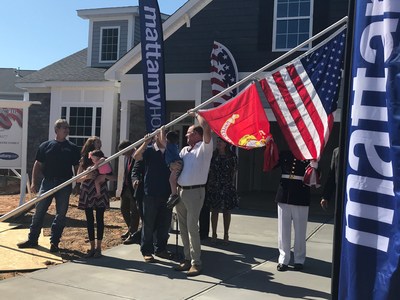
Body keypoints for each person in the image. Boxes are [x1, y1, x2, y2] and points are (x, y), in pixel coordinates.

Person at [17, 119, 81, 252]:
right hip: (48, 182)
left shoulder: (73, 148)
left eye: (68, 128)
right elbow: (37, 164)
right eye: (64, 128)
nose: (67, 130)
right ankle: (32, 239)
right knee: (39, 211)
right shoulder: (46, 145)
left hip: (65, 183)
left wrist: (77, 184)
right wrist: (34, 182)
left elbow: (77, 167)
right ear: (57, 129)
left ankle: (54, 242)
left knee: (61, 214)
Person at [174, 111, 213, 277]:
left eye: (189, 133)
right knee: (182, 228)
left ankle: (197, 263)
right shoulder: (184, 150)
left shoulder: (204, 148)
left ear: (197, 135)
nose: (186, 136)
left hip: (195, 192)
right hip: (181, 192)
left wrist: (198, 114)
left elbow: (207, 129)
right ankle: (187, 259)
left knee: (192, 227)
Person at [133, 132, 173, 263]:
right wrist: (145, 143)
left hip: (167, 193)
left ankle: (161, 249)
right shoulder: (149, 151)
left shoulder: (169, 151)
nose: (163, 137)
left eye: (164, 135)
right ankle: (147, 251)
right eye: (160, 135)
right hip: (150, 193)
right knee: (149, 224)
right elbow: (136, 156)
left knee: (164, 224)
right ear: (156, 137)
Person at [76, 137, 116, 258]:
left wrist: (105, 177)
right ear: (90, 145)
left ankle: (99, 248)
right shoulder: (84, 160)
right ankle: (92, 247)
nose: (99, 145)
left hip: (101, 191)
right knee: (89, 219)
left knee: (100, 219)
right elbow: (77, 179)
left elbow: (113, 177)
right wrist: (87, 177)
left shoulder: (104, 159)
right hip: (88, 190)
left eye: (100, 143)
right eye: (96, 143)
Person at [275, 150, 311, 272]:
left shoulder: (309, 153)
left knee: (300, 230)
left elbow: (316, 175)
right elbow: (271, 164)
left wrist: (315, 166)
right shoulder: (285, 153)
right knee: (283, 230)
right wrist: (270, 148)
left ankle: (299, 260)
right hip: (284, 193)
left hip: (300, 194)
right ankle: (283, 259)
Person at [206, 138, 239, 244]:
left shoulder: (232, 156)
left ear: (225, 144)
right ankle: (214, 234)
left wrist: (230, 184)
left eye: (220, 142)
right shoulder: (213, 156)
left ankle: (226, 234)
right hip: (215, 186)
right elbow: (209, 171)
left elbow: (234, 171)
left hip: (227, 186)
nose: (218, 143)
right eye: (218, 142)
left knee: (227, 211)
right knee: (214, 210)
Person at [117, 140, 141, 245]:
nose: (122, 154)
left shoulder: (137, 155)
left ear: (129, 148)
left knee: (135, 212)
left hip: (134, 189)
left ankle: (133, 234)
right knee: (124, 209)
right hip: (126, 188)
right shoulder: (127, 158)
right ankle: (130, 228)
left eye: (123, 151)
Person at [159, 126, 183, 206]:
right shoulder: (173, 146)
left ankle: (174, 195)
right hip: (176, 163)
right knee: (173, 179)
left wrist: (162, 131)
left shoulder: (170, 145)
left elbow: (162, 140)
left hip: (176, 163)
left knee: (171, 180)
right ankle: (174, 194)